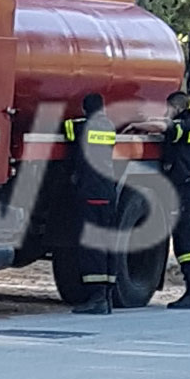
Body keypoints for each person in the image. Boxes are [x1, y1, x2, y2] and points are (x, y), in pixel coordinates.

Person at [65, 92, 121, 315]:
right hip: (108, 190)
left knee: (93, 246)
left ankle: (96, 298)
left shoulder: (83, 127)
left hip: (91, 192)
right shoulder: (108, 127)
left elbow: (68, 130)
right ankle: (106, 296)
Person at [161, 90, 190, 309]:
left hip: (185, 192)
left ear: (177, 108)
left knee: (186, 242)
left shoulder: (184, 127)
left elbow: (166, 128)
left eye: (168, 109)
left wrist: (143, 123)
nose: (165, 113)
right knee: (188, 241)